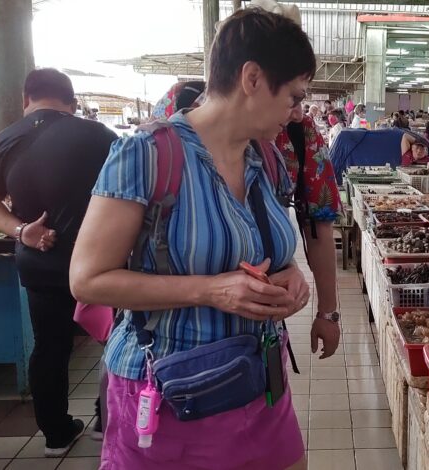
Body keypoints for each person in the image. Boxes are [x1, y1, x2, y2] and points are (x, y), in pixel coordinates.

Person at [70, 9, 317, 469]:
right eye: (294, 96)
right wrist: (211, 290)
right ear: (252, 78)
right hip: (171, 390)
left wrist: (291, 276)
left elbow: (259, 250)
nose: (297, 111)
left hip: (258, 379)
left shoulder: (266, 158)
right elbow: (87, 280)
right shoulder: (147, 154)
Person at [0, 68, 118, 456]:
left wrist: (22, 231)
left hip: (39, 262)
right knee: (114, 340)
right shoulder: (99, 135)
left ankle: (55, 432)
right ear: (71, 101)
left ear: (25, 99)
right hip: (100, 264)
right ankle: (107, 421)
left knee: (49, 346)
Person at [274, 109, 343, 359]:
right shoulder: (174, 136)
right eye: (289, 95)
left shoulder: (300, 130)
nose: (296, 110)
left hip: (265, 320)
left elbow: (319, 225)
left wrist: (328, 313)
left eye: (300, 97)